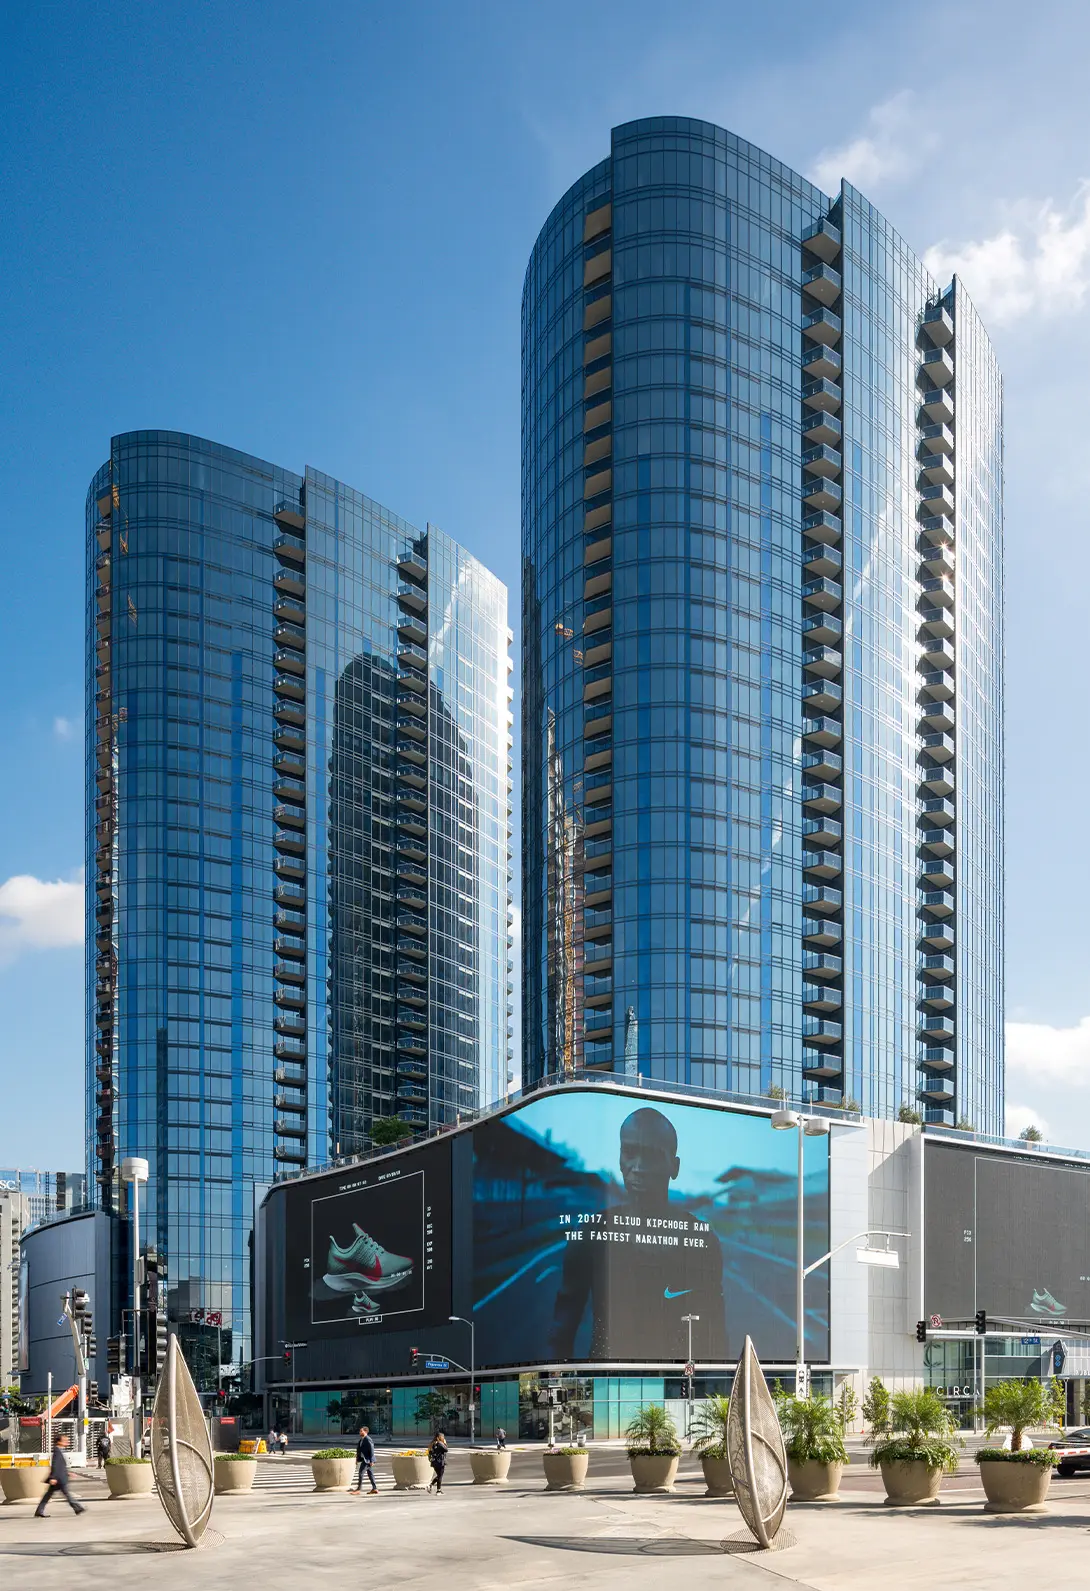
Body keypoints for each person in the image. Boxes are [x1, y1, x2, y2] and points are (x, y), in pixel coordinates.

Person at [550, 1107, 727, 1360]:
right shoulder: (591, 1232)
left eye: (653, 1156)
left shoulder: (703, 1241)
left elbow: (717, 1335)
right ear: (620, 1157)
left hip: (680, 1389)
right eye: (630, 1152)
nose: (639, 1167)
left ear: (673, 1167)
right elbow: (559, 1333)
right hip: (606, 1388)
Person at [34, 1434, 85, 1518]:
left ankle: (39, 1511)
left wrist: (67, 1472)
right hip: (58, 1479)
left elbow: (61, 1465)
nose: (67, 1442)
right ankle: (77, 1508)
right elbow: (55, 1465)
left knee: (49, 1495)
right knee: (66, 1494)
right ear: (59, 1442)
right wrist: (53, 1478)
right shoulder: (57, 1451)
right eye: (65, 1440)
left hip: (59, 1477)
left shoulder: (60, 1450)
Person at [352, 1425, 378, 1494]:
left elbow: (372, 1450)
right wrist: (357, 1459)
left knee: (361, 1473)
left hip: (368, 1460)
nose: (360, 1432)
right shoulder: (362, 1440)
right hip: (365, 1459)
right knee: (370, 1474)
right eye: (360, 1431)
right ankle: (374, 1488)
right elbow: (359, 1450)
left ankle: (358, 1489)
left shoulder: (367, 1439)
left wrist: (372, 1460)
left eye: (361, 1431)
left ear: (365, 1431)